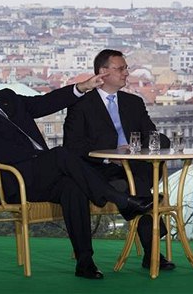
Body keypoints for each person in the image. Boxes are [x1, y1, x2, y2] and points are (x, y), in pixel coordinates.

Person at [0, 58, 155, 280]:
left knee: (73, 187)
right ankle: (121, 200)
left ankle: (85, 261)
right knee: (60, 154)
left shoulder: (7, 98)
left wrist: (82, 87)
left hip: (40, 175)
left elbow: (44, 103)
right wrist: (45, 159)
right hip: (14, 181)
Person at [63, 49, 175, 271]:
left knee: (153, 152)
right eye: (121, 68)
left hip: (133, 166)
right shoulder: (81, 105)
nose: (126, 73)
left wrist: (132, 153)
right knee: (138, 186)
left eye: (126, 68)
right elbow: (73, 146)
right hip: (100, 169)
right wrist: (110, 155)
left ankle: (135, 203)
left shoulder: (133, 102)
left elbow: (151, 135)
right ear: (103, 72)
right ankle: (152, 251)